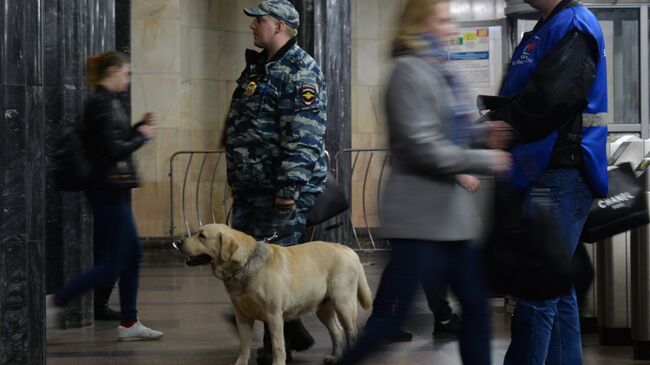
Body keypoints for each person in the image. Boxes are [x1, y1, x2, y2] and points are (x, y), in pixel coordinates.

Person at [337, 0, 511, 363]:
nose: (450, 28)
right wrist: (484, 158)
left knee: (477, 308)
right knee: (392, 317)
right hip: (418, 219)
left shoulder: (440, 71)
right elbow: (421, 147)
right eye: (442, 20)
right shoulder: (406, 72)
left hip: (451, 220)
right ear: (418, 24)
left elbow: (451, 130)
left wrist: (483, 134)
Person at [487, 0, 608, 363]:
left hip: (561, 171)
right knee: (556, 287)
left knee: (536, 292)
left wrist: (506, 125)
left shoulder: (574, 24)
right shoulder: (547, 27)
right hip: (543, 172)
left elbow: (552, 97)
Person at [224, 1, 327, 364]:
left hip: (279, 192)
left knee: (270, 270)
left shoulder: (300, 71)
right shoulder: (258, 68)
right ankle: (287, 330)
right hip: (251, 189)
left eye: (261, 20)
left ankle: (275, 348)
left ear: (280, 26)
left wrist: (289, 188)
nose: (253, 25)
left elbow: (305, 135)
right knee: (244, 266)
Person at [46, 51, 163, 341]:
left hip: (114, 188)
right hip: (107, 189)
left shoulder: (108, 102)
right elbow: (111, 150)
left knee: (131, 254)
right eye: (126, 72)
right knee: (116, 260)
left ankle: (129, 322)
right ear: (112, 71)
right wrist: (143, 136)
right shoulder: (101, 102)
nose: (128, 78)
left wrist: (136, 129)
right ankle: (57, 300)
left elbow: (111, 142)